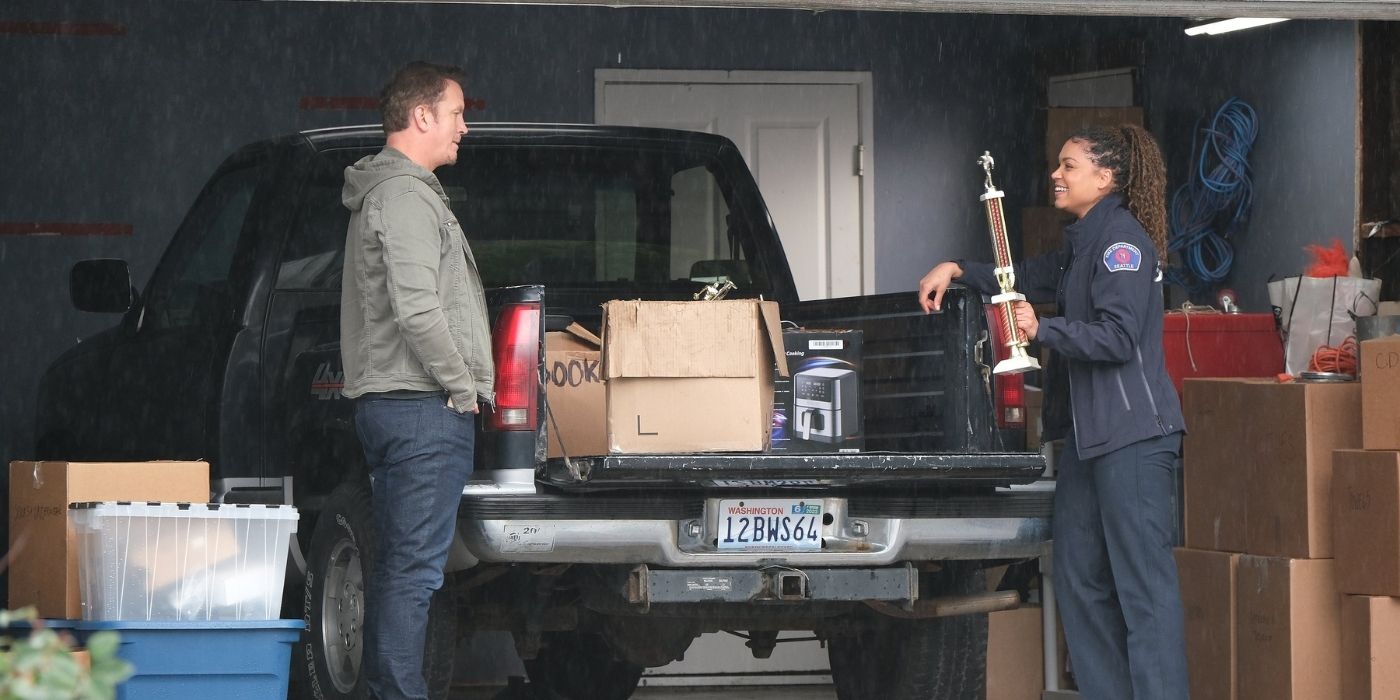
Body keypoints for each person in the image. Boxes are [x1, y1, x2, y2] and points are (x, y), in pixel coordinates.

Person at [918, 125, 1188, 700]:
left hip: (1134, 439)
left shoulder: (1123, 245)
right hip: (1090, 444)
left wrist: (1044, 328)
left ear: (1105, 177)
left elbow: (1117, 338)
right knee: (1079, 581)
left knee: (1143, 592)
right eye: (1057, 165)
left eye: (1068, 166)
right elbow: (1026, 278)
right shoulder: (1081, 243)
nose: (1055, 175)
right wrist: (959, 268)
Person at [340, 61, 494, 699]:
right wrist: (461, 389)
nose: (464, 126)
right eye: (456, 112)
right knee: (413, 575)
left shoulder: (401, 194)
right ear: (421, 115)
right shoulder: (404, 198)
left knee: (402, 571)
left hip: (405, 407)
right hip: (421, 409)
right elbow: (418, 309)